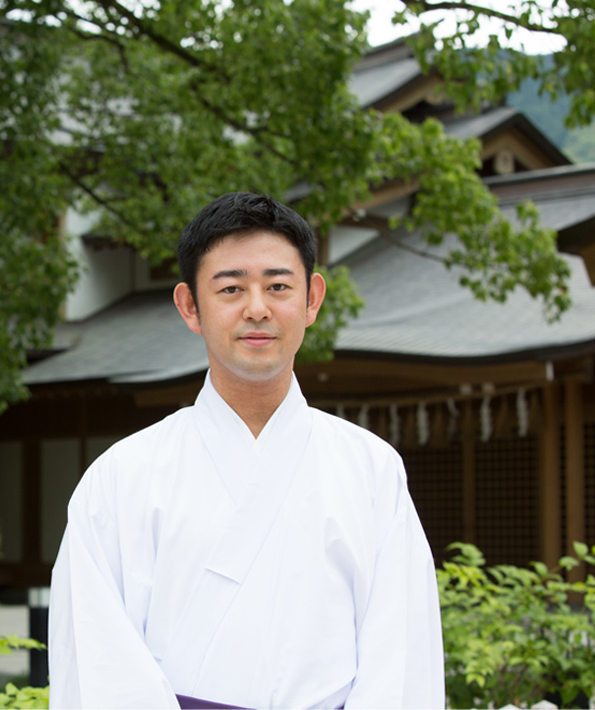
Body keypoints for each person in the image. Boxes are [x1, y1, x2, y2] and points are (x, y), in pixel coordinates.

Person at [48, 192, 445, 709]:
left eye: (278, 286)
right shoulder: (121, 479)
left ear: (311, 300)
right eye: (231, 288)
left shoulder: (372, 470)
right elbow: (98, 663)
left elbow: (402, 660)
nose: (257, 309)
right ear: (190, 306)